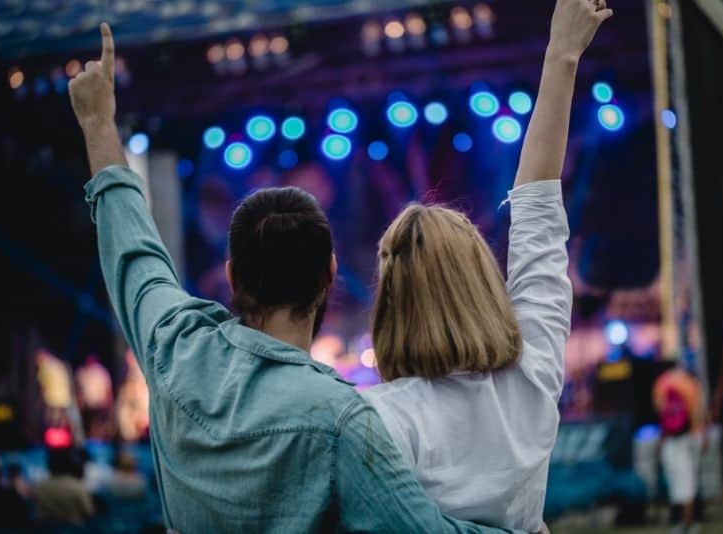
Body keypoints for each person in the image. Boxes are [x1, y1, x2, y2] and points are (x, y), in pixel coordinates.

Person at [68, 22, 516, 533]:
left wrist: (98, 125)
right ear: (330, 275)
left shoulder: (173, 349)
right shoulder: (343, 420)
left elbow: (133, 253)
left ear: (233, 275)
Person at [362, 1, 612, 531]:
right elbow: (539, 212)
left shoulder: (375, 420)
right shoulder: (529, 380)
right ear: (481, 282)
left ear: (389, 306)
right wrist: (561, 56)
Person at [653, 366, 706, 534]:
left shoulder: (663, 384)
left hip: (674, 440)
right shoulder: (691, 384)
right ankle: (689, 522)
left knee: (679, 483)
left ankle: (684, 522)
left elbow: (661, 414)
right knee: (688, 483)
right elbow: (699, 414)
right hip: (688, 438)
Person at [32, 447, 95, 526]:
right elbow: (89, 513)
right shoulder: (77, 486)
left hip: (45, 529)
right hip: (73, 530)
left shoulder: (38, 486)